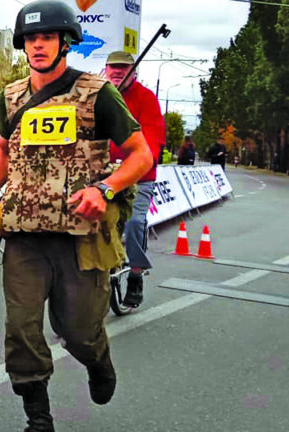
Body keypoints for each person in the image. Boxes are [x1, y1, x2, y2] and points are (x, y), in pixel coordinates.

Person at [0, 2, 151, 430]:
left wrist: (104, 189)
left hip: (80, 237)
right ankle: (38, 419)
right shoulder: (10, 96)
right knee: (21, 331)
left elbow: (141, 155)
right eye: (31, 38)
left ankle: (98, 361)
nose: (38, 45)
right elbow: (4, 148)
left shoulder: (97, 93)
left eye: (47, 37)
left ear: (65, 43)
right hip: (24, 235)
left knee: (79, 332)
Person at [103, 50, 166, 307]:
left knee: (134, 222)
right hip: (103, 175)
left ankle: (136, 275)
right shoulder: (98, 96)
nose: (118, 71)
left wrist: (134, 163)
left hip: (139, 177)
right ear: (106, 70)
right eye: (113, 67)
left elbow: (152, 142)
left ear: (134, 72)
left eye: (124, 67)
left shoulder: (146, 98)